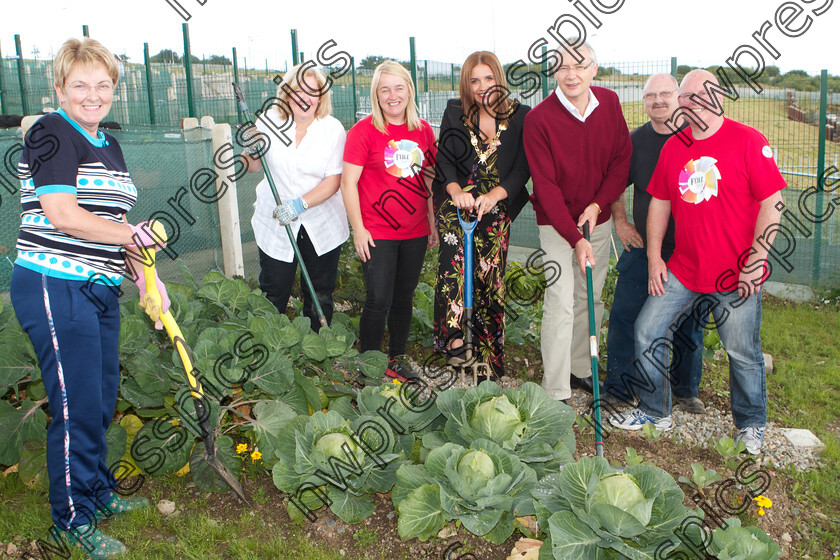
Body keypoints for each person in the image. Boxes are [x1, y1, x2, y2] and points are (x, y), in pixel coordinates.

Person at [10, 38, 167, 558]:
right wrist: (131, 236)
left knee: (98, 399)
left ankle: (97, 493)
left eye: (103, 85)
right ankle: (71, 520)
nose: (92, 95)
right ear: (59, 88)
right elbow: (63, 215)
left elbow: (118, 225)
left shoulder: (108, 143)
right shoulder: (51, 132)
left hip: (98, 288)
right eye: (80, 85)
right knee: (75, 405)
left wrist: (149, 278)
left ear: (114, 91)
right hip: (55, 284)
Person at [610, 70, 786, 456]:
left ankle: (751, 425)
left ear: (719, 96)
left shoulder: (747, 141)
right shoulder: (676, 146)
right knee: (647, 330)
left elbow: (773, 203)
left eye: (701, 95)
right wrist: (655, 257)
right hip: (683, 270)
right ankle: (656, 412)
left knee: (742, 351)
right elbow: (660, 202)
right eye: (687, 97)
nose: (693, 103)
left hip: (735, 274)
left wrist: (757, 257)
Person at [523, 39, 631, 403]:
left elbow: (621, 162)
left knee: (590, 298)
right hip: (556, 226)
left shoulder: (611, 104)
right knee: (561, 301)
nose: (572, 74)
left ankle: (580, 368)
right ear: (554, 71)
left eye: (580, 65)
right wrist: (575, 237)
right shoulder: (539, 119)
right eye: (564, 66)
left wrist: (598, 206)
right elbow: (546, 187)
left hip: (595, 223)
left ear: (594, 70)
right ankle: (555, 389)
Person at [604, 73, 705, 414]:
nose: (658, 100)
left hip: (688, 250)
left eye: (665, 94)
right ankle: (619, 387)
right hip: (642, 247)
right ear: (644, 102)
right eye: (651, 96)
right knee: (624, 317)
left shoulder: (697, 141)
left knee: (689, 322)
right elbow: (614, 185)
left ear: (679, 97)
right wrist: (620, 221)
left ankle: (685, 389)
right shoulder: (634, 143)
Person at [432, 51, 531, 380]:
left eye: (488, 78)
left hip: (496, 205)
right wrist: (456, 190)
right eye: (474, 80)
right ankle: (456, 342)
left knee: (490, 277)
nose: (481, 86)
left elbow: (522, 169)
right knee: (453, 267)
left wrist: (493, 196)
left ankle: (489, 354)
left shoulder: (521, 116)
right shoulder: (454, 111)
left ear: (498, 79)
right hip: (457, 204)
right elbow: (444, 158)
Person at [341, 60, 438, 382]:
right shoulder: (363, 131)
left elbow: (428, 180)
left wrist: (433, 222)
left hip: (415, 231)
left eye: (399, 88)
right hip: (377, 231)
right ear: (376, 95)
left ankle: (397, 357)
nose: (392, 95)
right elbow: (347, 183)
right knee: (378, 298)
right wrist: (359, 229)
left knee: (403, 298)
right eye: (385, 89)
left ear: (409, 90)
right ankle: (367, 363)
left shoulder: (423, 131)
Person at [244, 63, 348, 332]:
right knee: (274, 288)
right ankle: (268, 347)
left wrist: (300, 204)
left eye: (313, 91)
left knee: (319, 291)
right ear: (286, 93)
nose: (306, 97)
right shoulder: (269, 121)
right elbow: (254, 166)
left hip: (320, 220)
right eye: (299, 90)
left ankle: (317, 348)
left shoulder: (332, 129)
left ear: (321, 97)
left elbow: (334, 179)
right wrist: (249, 150)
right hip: (276, 220)